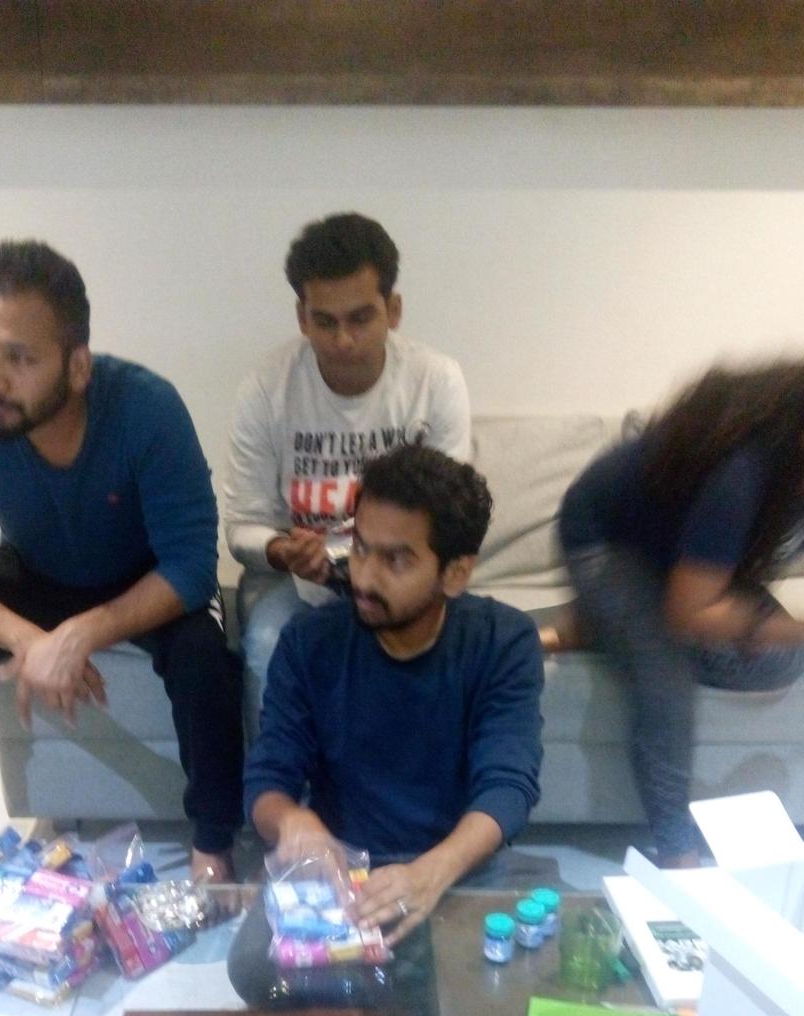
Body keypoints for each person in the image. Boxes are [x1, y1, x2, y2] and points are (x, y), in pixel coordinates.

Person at [0, 239, 243, 953]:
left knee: (204, 655)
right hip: (36, 571)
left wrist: (83, 634)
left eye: (20, 358)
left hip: (143, 576)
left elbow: (193, 565)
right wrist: (30, 640)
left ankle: (214, 847)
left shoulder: (147, 407)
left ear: (77, 366)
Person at [241, 442, 543, 965]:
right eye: (360, 548)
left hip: (457, 866)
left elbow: (509, 785)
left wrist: (432, 873)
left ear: (455, 573)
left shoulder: (504, 641)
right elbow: (267, 778)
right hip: (345, 872)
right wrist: (293, 821)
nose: (364, 577)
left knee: (523, 967)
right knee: (251, 968)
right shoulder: (309, 642)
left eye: (396, 560)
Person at [548, 362, 804, 867]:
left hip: (677, 559)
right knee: (665, 677)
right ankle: (676, 849)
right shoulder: (742, 474)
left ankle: (603, 628)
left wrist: (763, 628)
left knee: (781, 660)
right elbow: (689, 614)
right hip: (606, 542)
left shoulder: (787, 473)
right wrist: (771, 626)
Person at [223, 212, 471, 732]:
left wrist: (390, 566)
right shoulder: (266, 389)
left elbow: (454, 517)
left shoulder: (435, 381)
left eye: (360, 318)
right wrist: (282, 550)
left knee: (440, 649)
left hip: (405, 572)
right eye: (326, 322)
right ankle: (285, 782)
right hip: (298, 583)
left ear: (393, 310)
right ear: (302, 317)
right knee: (268, 643)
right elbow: (243, 525)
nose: (343, 340)